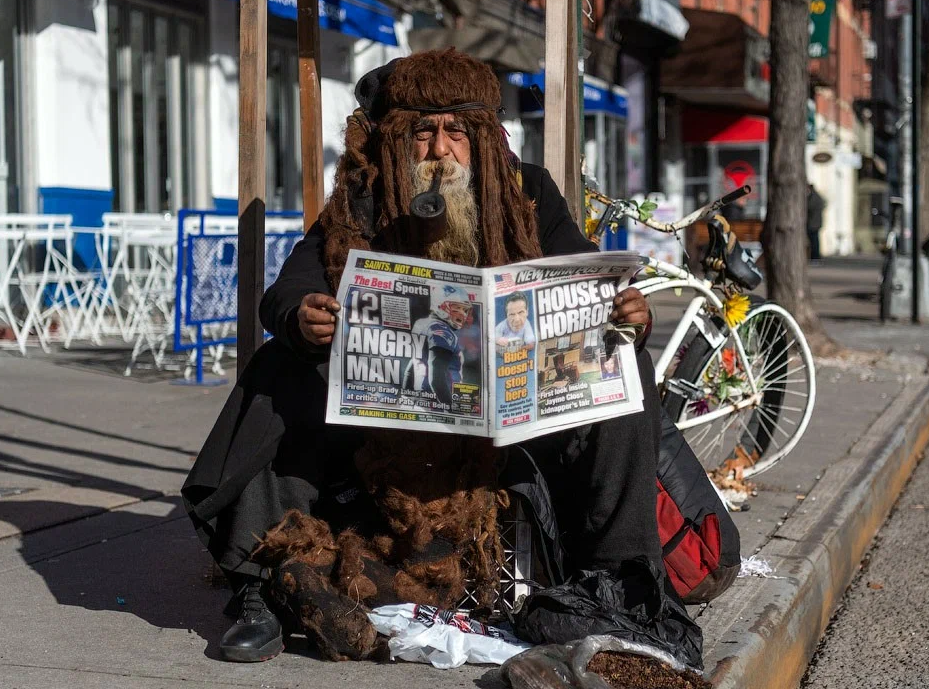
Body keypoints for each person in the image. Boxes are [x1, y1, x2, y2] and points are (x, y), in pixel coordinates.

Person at [182, 49, 692, 664]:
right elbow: (288, 288)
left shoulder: (530, 191)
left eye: (457, 132)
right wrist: (302, 316)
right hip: (390, 424)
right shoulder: (365, 197)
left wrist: (626, 314)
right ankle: (261, 579)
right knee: (280, 367)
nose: (440, 150)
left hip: (512, 428)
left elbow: (587, 285)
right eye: (423, 132)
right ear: (400, 140)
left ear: (483, 139)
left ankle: (617, 581)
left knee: (624, 364)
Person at [403, 283, 471, 404]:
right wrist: (450, 408)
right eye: (457, 307)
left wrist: (406, 396)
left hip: (422, 399)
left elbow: (412, 366)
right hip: (436, 401)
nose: (462, 313)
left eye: (464, 309)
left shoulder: (422, 323)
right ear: (440, 305)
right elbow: (437, 379)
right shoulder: (441, 330)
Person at [807, 184, 826, 261]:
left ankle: (815, 256)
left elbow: (810, 207)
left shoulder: (814, 197)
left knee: (814, 240)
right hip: (815, 222)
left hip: (813, 222)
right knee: (814, 240)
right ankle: (815, 256)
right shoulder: (816, 196)